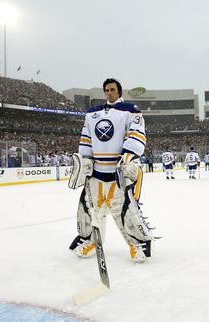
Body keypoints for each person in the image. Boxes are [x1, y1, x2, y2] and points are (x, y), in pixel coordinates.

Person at [68, 78, 155, 263]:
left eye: (112, 89)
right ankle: (89, 241)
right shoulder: (92, 113)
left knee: (124, 210)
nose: (109, 92)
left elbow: (136, 133)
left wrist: (128, 155)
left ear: (119, 91)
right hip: (97, 170)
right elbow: (86, 137)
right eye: (106, 89)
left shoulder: (130, 110)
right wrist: (85, 159)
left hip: (117, 170)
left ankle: (139, 243)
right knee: (89, 209)